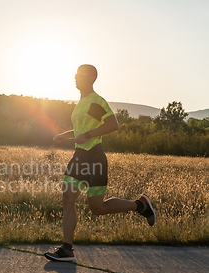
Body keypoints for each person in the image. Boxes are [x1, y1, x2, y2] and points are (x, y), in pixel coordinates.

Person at [44, 64, 156, 262]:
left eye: (80, 74)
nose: (75, 77)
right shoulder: (83, 102)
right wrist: (65, 135)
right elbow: (84, 129)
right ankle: (67, 249)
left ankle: (140, 206)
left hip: (94, 157)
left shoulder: (95, 101)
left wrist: (87, 134)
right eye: (75, 74)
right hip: (80, 157)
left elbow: (113, 125)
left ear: (90, 78)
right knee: (68, 199)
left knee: (97, 208)